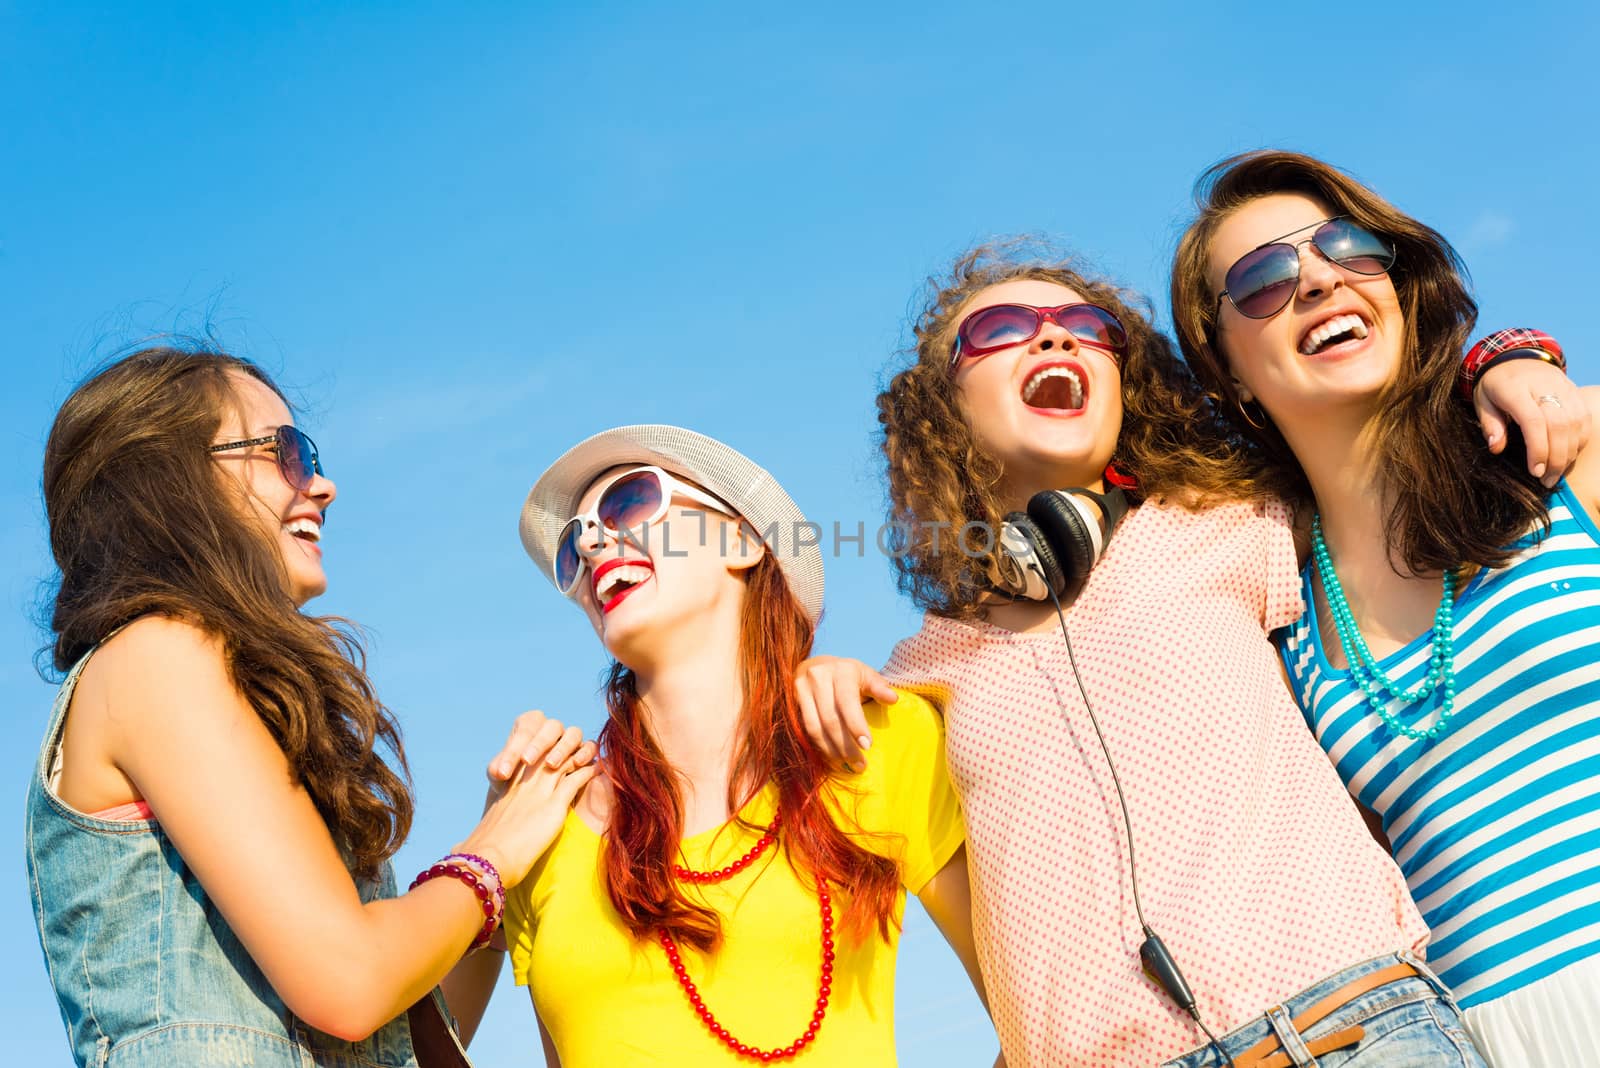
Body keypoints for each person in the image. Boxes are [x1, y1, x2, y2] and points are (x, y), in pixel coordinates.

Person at [792, 240, 1582, 1066]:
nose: (1057, 340)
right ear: (941, 406)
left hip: (1351, 1027)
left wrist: (1500, 360)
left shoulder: (1236, 520)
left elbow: (1376, 434)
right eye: (1003, 328)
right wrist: (829, 678)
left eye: (1086, 326)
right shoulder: (922, 673)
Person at [26, 346, 596, 1067]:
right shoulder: (154, 656)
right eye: (286, 453)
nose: (322, 486)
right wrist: (493, 855)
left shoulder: (206, 679)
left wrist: (498, 857)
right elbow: (350, 984)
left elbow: (386, 1028)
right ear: (170, 481)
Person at [1170, 149, 1600, 1065]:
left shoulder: (1566, 460)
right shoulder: (1281, 627)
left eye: (1348, 248)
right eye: (1262, 280)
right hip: (1479, 1039)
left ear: (1398, 286)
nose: (1320, 278)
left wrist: (1504, 357)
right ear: (1229, 371)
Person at [506, 424, 992, 1066]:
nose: (592, 541)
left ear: (740, 540)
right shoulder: (542, 822)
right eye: (572, 547)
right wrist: (481, 858)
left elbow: (1039, 1018)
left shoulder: (873, 741)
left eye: (628, 501)